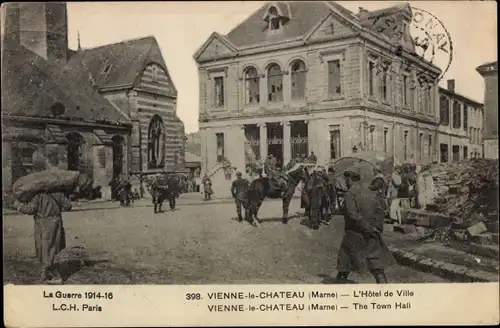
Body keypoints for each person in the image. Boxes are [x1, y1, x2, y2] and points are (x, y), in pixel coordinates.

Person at [335, 166, 396, 284]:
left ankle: (337, 295)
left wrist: (367, 227)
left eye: (346, 179)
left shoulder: (349, 193)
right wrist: (376, 228)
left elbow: (352, 215)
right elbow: (380, 211)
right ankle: (386, 295)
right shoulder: (369, 191)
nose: (346, 182)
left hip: (354, 235)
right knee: (377, 268)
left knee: (344, 265)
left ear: (349, 179)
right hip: (371, 234)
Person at [14, 190, 73, 284]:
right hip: (56, 222)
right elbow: (68, 206)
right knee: (51, 248)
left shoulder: (38, 196)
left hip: (43, 224)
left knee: (45, 250)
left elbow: (30, 209)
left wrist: (18, 205)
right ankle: (46, 273)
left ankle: (56, 277)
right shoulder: (59, 193)